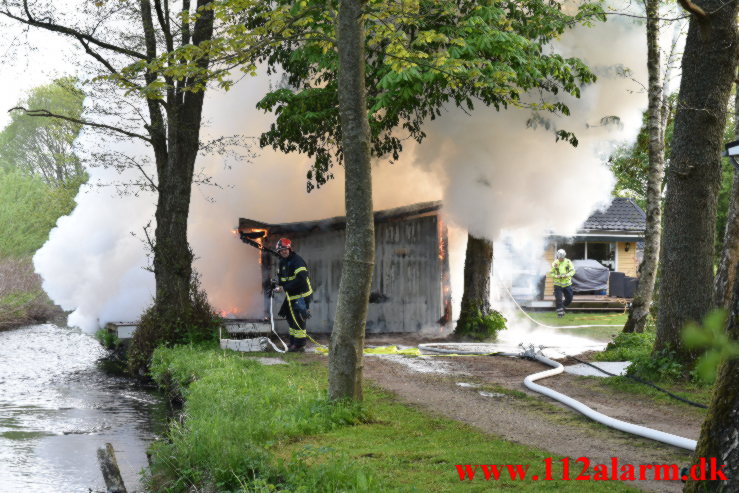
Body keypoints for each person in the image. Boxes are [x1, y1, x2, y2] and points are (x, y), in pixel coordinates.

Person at [272, 238, 313, 352]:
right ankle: (293, 342)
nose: (283, 252)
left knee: (298, 320)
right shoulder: (282, 262)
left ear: (289, 249)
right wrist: (276, 284)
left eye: (285, 249)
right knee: (290, 318)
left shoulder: (297, 261)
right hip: (292, 296)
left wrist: (284, 287)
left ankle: (300, 345)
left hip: (302, 295)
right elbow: (281, 278)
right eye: (280, 250)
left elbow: (301, 279)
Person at [550, 249, 576, 318]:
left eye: (562, 258)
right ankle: (560, 314)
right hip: (558, 284)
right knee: (559, 299)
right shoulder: (555, 263)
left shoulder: (568, 262)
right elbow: (551, 273)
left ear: (564, 256)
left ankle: (562, 308)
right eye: (560, 258)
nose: (561, 259)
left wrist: (567, 275)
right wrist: (556, 276)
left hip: (567, 284)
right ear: (557, 256)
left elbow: (573, 271)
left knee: (569, 298)